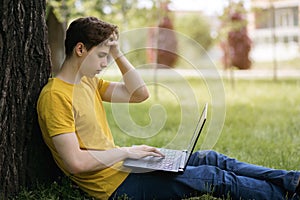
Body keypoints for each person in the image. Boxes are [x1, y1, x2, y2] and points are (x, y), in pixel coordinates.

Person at [37, 16, 300, 200]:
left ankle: (292, 180)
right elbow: (76, 163)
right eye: (102, 55)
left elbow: (139, 94)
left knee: (211, 158)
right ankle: (286, 196)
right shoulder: (55, 97)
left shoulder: (88, 81)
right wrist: (127, 152)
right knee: (212, 176)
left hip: (123, 166)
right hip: (113, 185)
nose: (105, 63)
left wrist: (116, 52)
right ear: (80, 49)